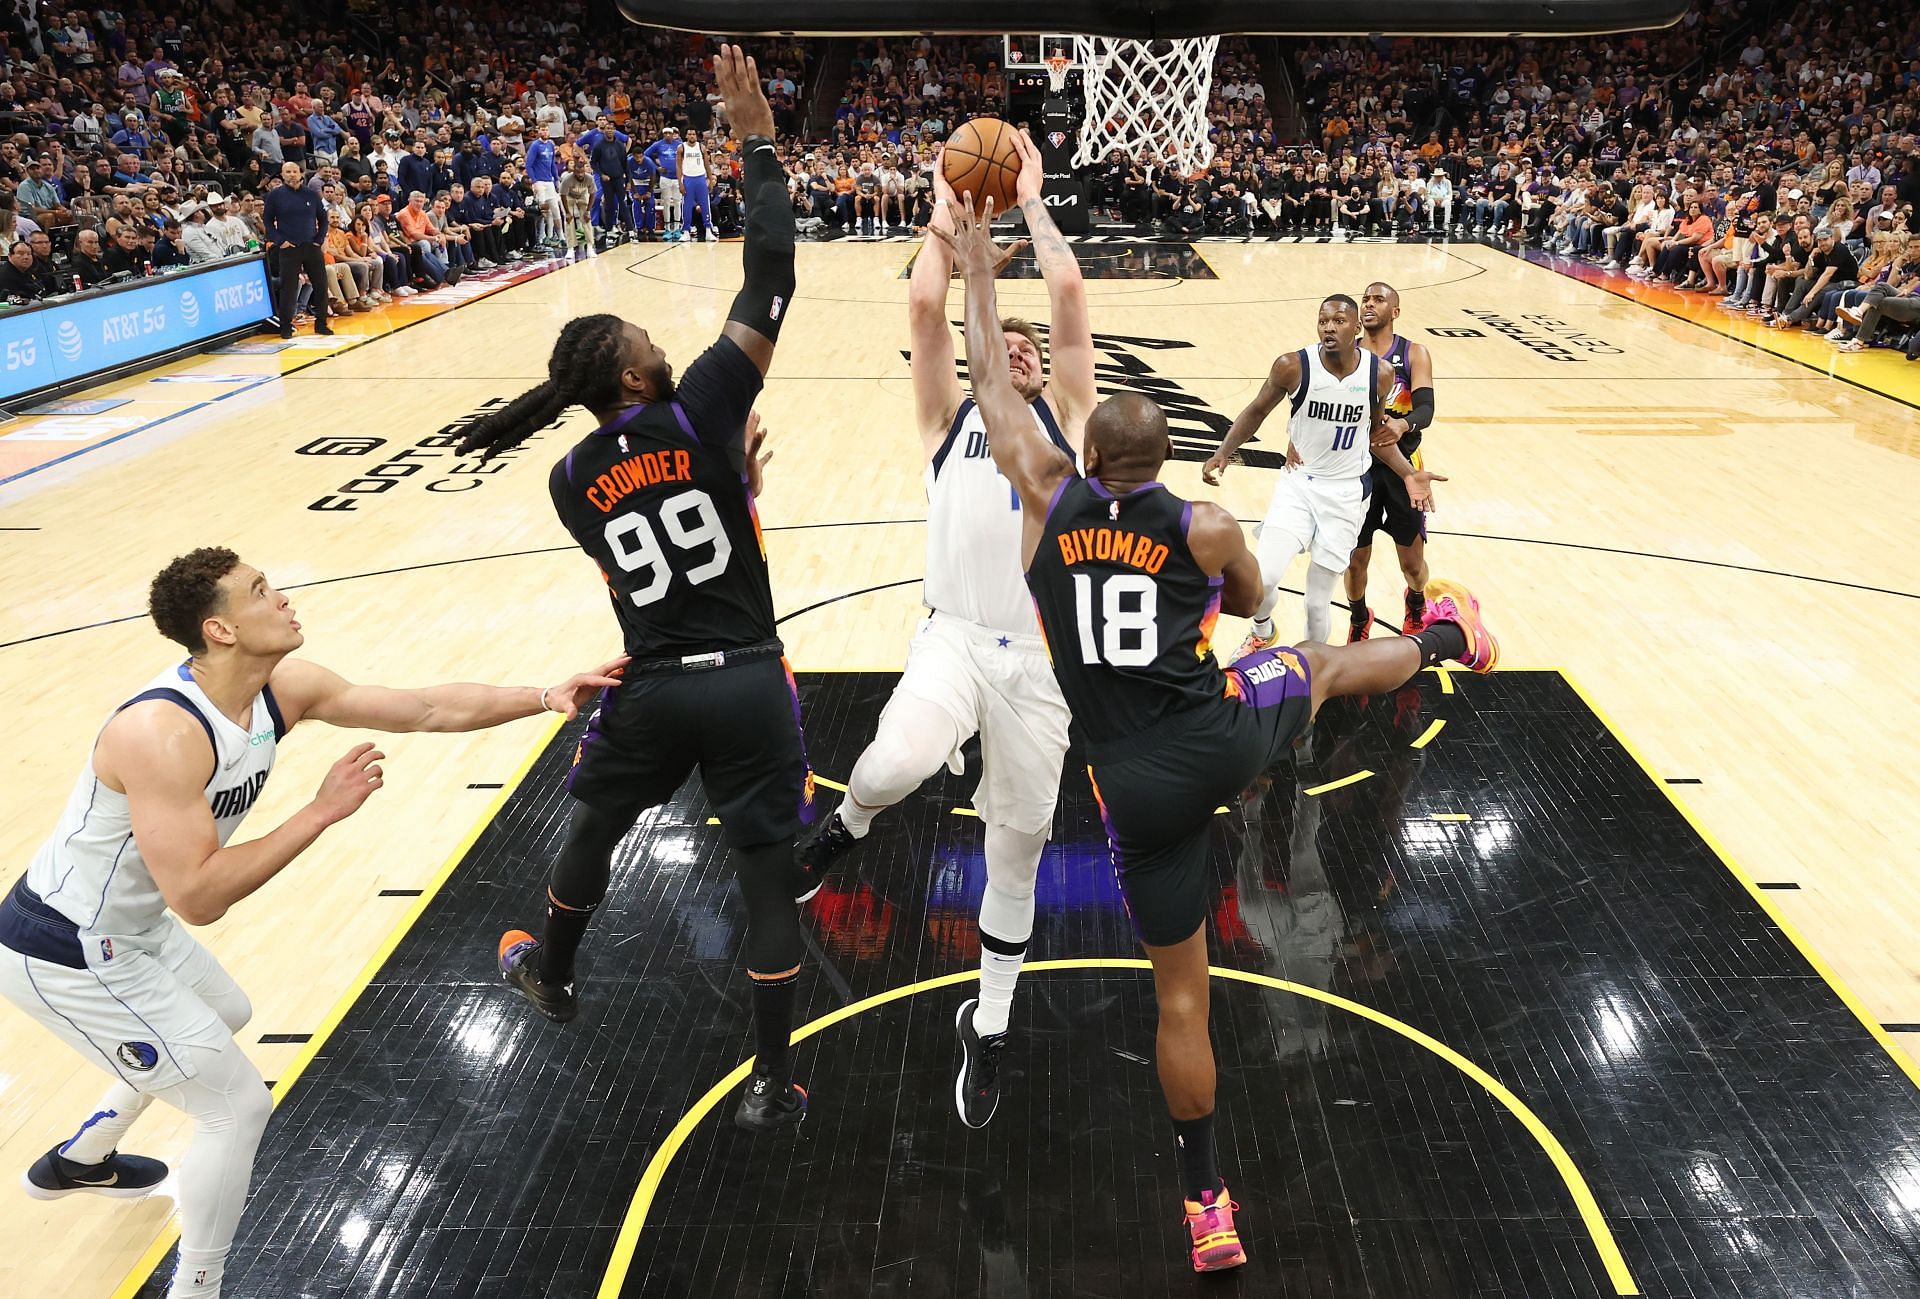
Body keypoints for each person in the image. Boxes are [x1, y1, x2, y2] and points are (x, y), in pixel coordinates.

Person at [932, 191, 1498, 1274]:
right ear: (1159, 455)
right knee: (1322, 666)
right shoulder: (1201, 524)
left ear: (1085, 455)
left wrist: (973, 270)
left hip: (1129, 787)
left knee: (1178, 998)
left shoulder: (1048, 501)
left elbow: (1001, 396)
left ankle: (1205, 1203)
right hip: (1221, 734)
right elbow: (1245, 601)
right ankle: (1445, 640)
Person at [0, 547, 621, 1299]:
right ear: (220, 629)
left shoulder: (279, 688)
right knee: (234, 1104)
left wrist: (543, 694)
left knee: (224, 1011)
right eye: (262, 591)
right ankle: (198, 1287)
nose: (284, 598)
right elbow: (200, 894)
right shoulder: (160, 733)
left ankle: (82, 1157)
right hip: (64, 947)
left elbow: (423, 707)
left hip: (129, 925)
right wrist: (323, 809)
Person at [458, 47, 814, 1133]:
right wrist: (755, 139)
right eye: (645, 337)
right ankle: (770, 1079)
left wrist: (727, 483)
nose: (662, 336)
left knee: (594, 825)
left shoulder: (569, 480)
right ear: (631, 375)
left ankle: (554, 970)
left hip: (657, 683)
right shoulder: (702, 404)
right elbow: (772, 277)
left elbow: (643, 555)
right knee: (764, 878)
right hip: (751, 681)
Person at [796, 131, 1096, 1129]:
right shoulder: (947, 422)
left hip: (1040, 669)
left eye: (1028, 347)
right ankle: (846, 828)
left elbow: (1068, 301)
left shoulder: (1068, 421)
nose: (1016, 347)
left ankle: (992, 1025)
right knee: (891, 764)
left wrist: (1035, 203)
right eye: (998, 343)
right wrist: (944, 210)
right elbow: (925, 306)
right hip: (954, 639)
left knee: (1018, 852)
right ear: (977, 358)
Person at [1201, 296, 1443, 653]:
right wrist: (1223, 452)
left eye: (1339, 321)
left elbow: (1374, 435)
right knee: (1264, 578)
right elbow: (1255, 411)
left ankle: (1314, 674)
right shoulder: (1292, 366)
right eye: (1323, 321)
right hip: (1298, 486)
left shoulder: (1380, 374)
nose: (1329, 327)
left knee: (1317, 604)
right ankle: (1262, 631)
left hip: (1346, 495)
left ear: (1356, 327)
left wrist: (1408, 473)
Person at [1344, 282, 1437, 640]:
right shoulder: (1346, 354)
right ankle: (1357, 618)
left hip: (1402, 464)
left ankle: (1415, 602)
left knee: (1412, 564)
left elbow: (1426, 408)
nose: (1369, 304)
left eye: (1378, 299)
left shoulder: (1414, 352)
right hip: (1356, 466)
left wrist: (1404, 422)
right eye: (1365, 298)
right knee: (1354, 559)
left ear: (1394, 312)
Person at [263, 161, 329, 339]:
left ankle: (322, 323)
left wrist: (319, 240)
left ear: (301, 173)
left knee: (321, 285)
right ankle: (285, 325)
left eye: (294, 171)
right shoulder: (275, 196)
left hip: (311, 246)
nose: (292, 175)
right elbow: (267, 222)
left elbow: (323, 219)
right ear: (282, 175)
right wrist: (279, 241)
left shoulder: (311, 194)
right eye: (287, 172)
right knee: (289, 288)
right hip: (289, 248)